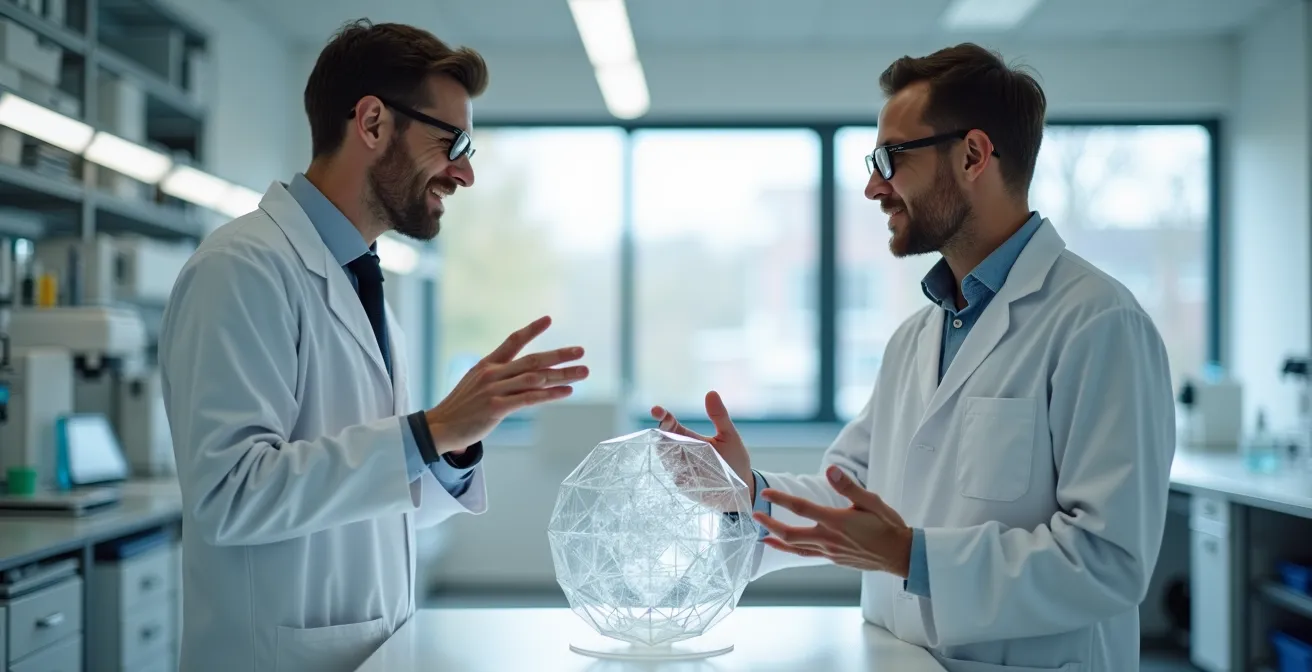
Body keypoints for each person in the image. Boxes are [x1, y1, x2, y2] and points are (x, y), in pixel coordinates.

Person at [653, 43, 1174, 672]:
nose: (874, 186)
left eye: (890, 158)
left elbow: (1109, 563)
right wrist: (744, 491)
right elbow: (858, 500)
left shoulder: (1099, 323)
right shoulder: (915, 338)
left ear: (974, 155)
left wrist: (912, 558)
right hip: (899, 656)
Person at [158, 20, 588, 672]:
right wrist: (428, 430)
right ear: (373, 123)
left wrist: (452, 442)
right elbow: (230, 497)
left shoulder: (364, 285)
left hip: (369, 648)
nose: (464, 174)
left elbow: (376, 501)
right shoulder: (242, 268)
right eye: (454, 142)